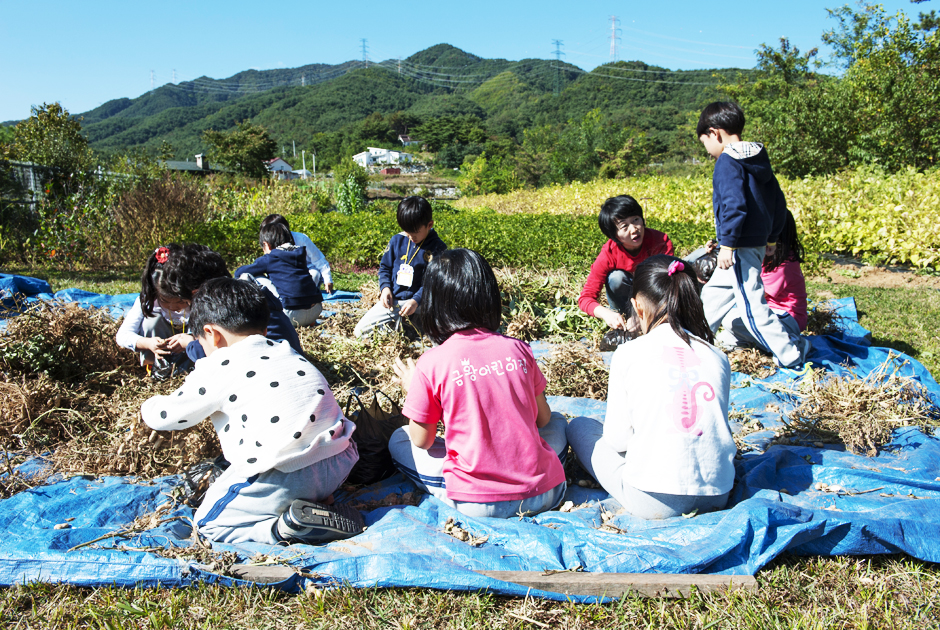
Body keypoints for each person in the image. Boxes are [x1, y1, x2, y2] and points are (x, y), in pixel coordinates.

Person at [141, 277, 362, 545]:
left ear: (211, 334)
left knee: (207, 524)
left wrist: (147, 405)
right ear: (264, 328)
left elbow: (165, 417)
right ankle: (313, 501)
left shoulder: (220, 365)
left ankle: (285, 527)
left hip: (289, 471)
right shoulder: (285, 351)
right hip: (340, 460)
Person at [388, 248, 568, 518]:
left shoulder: (431, 363)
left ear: (433, 304)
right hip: (545, 493)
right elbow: (543, 419)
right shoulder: (519, 349)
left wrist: (412, 390)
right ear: (489, 296)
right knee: (559, 421)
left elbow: (422, 440)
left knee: (399, 439)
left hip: (479, 504)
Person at [566, 255, 736, 519]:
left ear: (637, 306)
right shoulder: (717, 355)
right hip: (718, 494)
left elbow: (617, 440)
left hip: (653, 500)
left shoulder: (629, 353)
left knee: (579, 427)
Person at [696, 101, 810, 368]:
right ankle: (694, 343)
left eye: (705, 144)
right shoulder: (758, 158)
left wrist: (727, 245)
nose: (708, 151)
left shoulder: (727, 161)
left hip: (740, 246)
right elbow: (778, 203)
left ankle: (791, 352)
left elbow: (734, 205)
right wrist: (771, 238)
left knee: (751, 306)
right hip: (754, 243)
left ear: (714, 133)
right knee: (713, 294)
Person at [139, 243, 303, 364]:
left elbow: (219, 358)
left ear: (198, 293)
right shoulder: (243, 294)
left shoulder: (231, 309)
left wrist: (189, 344)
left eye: (187, 301)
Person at [578, 195, 674, 335]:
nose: (634, 229)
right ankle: (626, 319)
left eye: (636, 220)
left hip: (654, 298)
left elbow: (669, 285)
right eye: (624, 226)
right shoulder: (609, 253)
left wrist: (644, 314)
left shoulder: (660, 242)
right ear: (614, 235)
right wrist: (607, 314)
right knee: (616, 278)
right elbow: (585, 298)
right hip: (625, 300)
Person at [354, 196, 447, 338]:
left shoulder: (438, 248)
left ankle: (412, 326)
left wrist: (416, 301)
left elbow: (433, 282)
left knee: (442, 335)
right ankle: (402, 329)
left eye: (415, 233)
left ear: (429, 225)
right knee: (360, 332)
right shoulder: (397, 240)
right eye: (406, 231)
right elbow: (385, 267)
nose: (410, 236)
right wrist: (385, 288)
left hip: (422, 304)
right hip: (395, 302)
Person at [115, 245, 194, 379]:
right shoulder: (149, 301)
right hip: (160, 359)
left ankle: (190, 370)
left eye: (180, 301)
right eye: (165, 300)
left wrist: (192, 340)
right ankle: (158, 370)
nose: (172, 306)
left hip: (193, 358)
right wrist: (148, 343)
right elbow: (122, 335)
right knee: (151, 321)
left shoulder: (198, 301)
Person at [235, 222, 324, 328]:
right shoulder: (299, 254)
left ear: (266, 245)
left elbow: (239, 272)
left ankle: (250, 315)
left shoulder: (270, 258)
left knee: (251, 276)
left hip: (290, 316)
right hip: (315, 311)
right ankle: (308, 321)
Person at [260, 214, 334, 294]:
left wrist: (328, 279)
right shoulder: (269, 243)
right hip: (285, 274)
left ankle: (308, 295)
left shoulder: (301, 239)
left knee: (314, 274)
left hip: (305, 271)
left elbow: (318, 259)